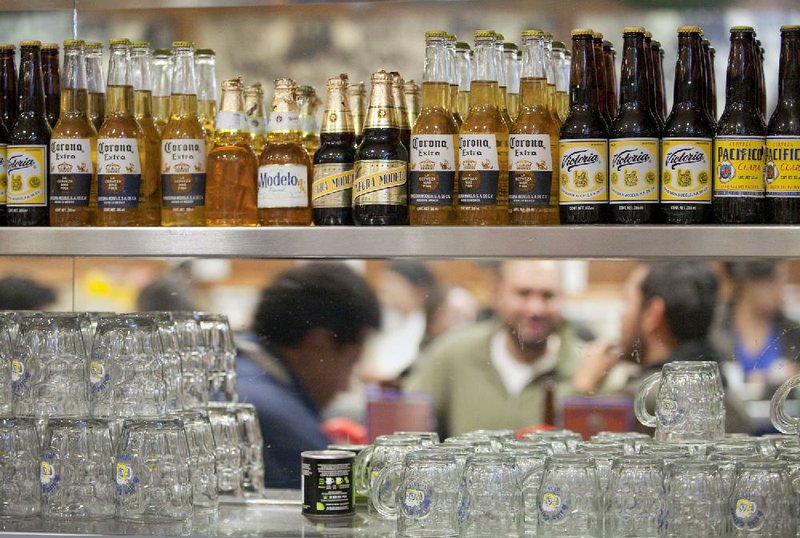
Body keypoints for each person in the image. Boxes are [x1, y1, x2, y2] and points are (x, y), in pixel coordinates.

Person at [236, 261, 381, 488]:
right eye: (351, 363)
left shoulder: (230, 370)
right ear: (319, 342)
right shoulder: (284, 422)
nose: (346, 386)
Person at [404, 260, 584, 438]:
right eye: (523, 293)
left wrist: (581, 391)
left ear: (563, 299)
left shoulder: (586, 365)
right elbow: (406, 426)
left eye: (548, 296)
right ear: (496, 293)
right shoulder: (454, 352)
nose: (535, 308)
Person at [574, 261, 752, 433]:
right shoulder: (726, 394)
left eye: (627, 301)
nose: (621, 316)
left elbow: (574, 451)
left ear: (653, 313)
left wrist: (582, 388)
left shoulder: (639, 403)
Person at [711, 261, 800, 399]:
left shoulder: (793, 331)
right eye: (774, 282)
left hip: (783, 416)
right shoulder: (716, 331)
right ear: (749, 284)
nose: (781, 293)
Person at [360, 261, 437, 382]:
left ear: (420, 290)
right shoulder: (384, 316)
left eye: (393, 284)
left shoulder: (428, 324)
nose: (386, 290)